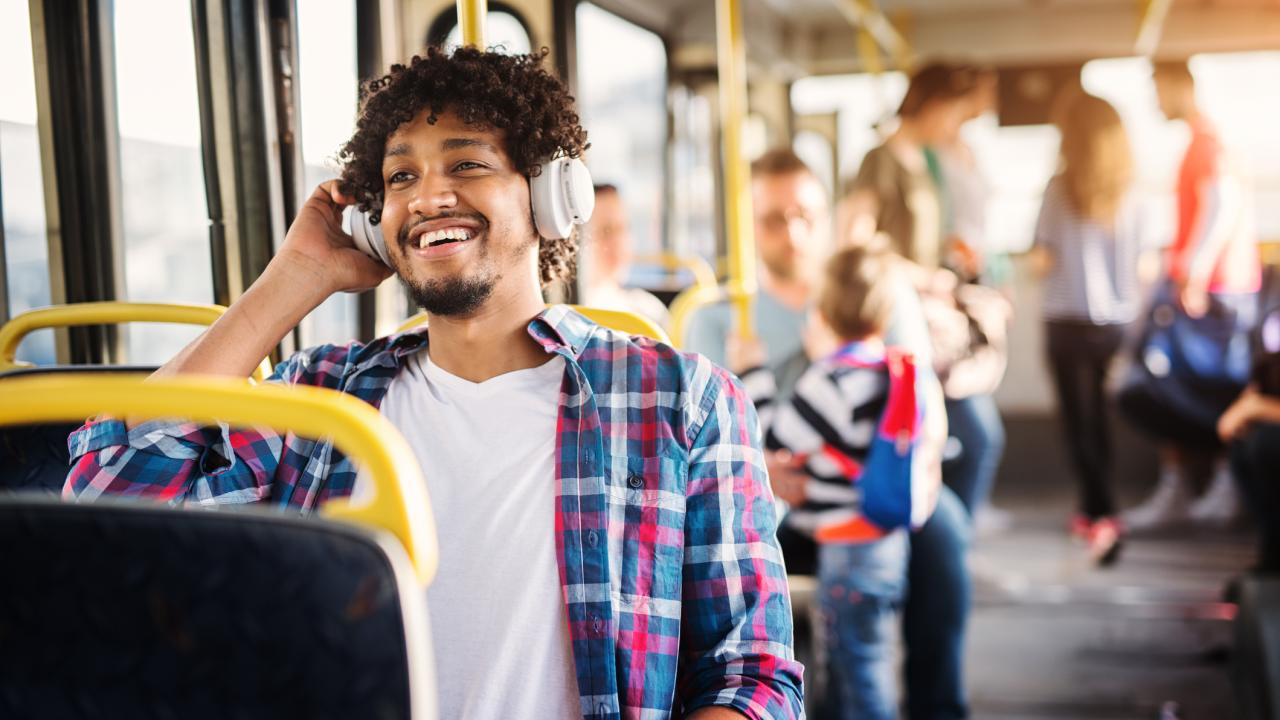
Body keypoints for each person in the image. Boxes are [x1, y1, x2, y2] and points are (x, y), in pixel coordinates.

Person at [63, 47, 802, 719]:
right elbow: (102, 508)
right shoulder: (323, 401)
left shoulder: (678, 400)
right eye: (400, 177)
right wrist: (296, 279)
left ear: (550, 196)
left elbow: (754, 680)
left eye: (466, 164)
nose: (426, 198)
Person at [687, 148, 972, 720]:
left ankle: (937, 704)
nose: (792, 233)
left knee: (943, 530)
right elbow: (701, 426)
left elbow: (924, 407)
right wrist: (763, 466)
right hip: (767, 496)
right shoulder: (719, 314)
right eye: (772, 219)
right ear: (748, 226)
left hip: (869, 487)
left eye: (805, 216)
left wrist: (910, 467)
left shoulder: (867, 292)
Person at [730, 245, 946, 720]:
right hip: (889, 545)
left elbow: (776, 435)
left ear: (822, 312)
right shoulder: (891, 371)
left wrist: (752, 371)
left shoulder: (831, 379)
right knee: (870, 659)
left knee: (858, 668)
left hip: (848, 552)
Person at [839, 63, 1007, 525]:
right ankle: (947, 537)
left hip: (928, 312)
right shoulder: (882, 160)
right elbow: (856, 243)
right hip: (899, 317)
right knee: (977, 437)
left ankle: (943, 533)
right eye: (955, 111)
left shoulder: (925, 162)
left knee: (953, 438)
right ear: (933, 106)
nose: (959, 123)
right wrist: (922, 277)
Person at [1121, 59, 1262, 530]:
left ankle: (1227, 483)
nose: (1156, 102)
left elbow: (1221, 204)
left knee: (1216, 386)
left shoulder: (1209, 141)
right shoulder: (1200, 141)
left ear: (1181, 86)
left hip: (1217, 290)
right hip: (1209, 285)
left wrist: (1194, 272)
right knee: (1179, 387)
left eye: (1159, 90)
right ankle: (1184, 485)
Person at [1030, 91, 1143, 564]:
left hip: (1067, 321)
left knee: (1078, 426)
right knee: (1101, 421)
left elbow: (1042, 257)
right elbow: (1144, 261)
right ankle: (1103, 511)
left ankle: (1099, 513)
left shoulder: (1060, 189)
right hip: (1115, 322)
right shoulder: (1131, 190)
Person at [581, 183, 671, 328]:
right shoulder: (575, 315)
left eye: (623, 228)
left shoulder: (649, 311)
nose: (619, 242)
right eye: (606, 231)